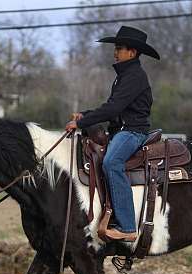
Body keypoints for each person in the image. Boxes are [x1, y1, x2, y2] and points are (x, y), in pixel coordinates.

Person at [65, 25, 160, 242]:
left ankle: (127, 227)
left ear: (132, 52)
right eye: (115, 48)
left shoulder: (135, 76)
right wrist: (84, 115)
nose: (115, 52)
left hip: (132, 132)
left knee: (111, 163)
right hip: (121, 130)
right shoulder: (124, 75)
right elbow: (112, 106)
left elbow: (113, 109)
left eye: (119, 48)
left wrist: (81, 124)